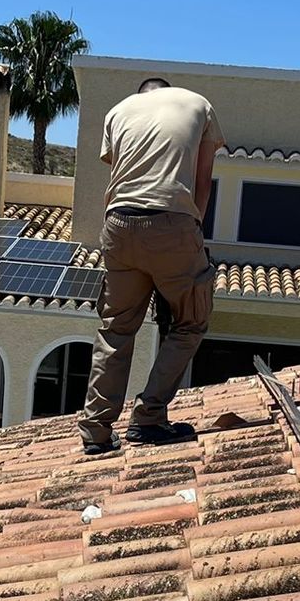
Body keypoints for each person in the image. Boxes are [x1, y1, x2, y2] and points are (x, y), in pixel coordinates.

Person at [77, 77, 223, 455]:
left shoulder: (118, 111)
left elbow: (121, 173)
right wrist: (192, 232)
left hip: (118, 223)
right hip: (172, 221)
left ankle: (96, 430)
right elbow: (202, 180)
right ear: (167, 91)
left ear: (142, 95)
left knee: (116, 329)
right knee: (191, 320)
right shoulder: (199, 104)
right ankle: (149, 417)